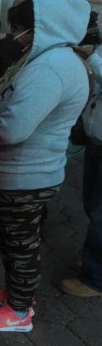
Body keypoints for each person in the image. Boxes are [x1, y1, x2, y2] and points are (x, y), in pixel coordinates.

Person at [0, 0, 91, 332]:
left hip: (28, 177)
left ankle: (20, 311)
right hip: (21, 174)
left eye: (23, 28)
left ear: (45, 27)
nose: (16, 35)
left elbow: (14, 128)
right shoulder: (43, 59)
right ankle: (16, 293)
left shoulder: (53, 68)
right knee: (11, 237)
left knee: (21, 244)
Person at [58, 44, 102, 298]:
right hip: (95, 144)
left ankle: (95, 279)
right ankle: (92, 259)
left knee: (100, 214)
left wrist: (92, 57)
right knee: (92, 207)